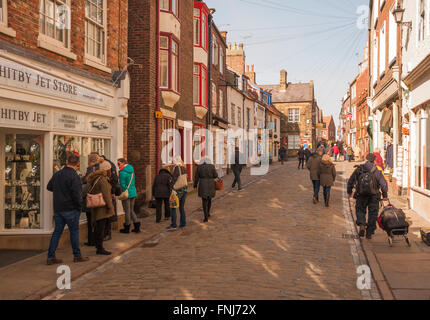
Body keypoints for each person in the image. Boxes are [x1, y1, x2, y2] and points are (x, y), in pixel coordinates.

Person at [46, 153, 89, 265]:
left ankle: (50, 256)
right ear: (78, 164)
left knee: (57, 232)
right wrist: (79, 207)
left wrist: (59, 192)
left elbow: (49, 186)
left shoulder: (58, 174)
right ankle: (77, 255)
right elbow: (77, 195)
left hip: (59, 208)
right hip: (71, 208)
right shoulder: (74, 176)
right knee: (74, 232)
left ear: (66, 162)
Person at [347, 153, 389, 239]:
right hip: (374, 195)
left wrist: (349, 192)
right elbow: (384, 184)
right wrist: (385, 195)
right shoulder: (377, 171)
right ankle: (369, 232)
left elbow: (351, 181)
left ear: (366, 159)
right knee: (373, 213)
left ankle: (362, 224)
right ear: (374, 160)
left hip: (361, 194)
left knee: (360, 209)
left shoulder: (359, 169)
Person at [86, 160, 115, 255]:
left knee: (98, 227)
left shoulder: (96, 178)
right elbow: (106, 195)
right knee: (101, 228)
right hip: (102, 207)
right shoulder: (102, 179)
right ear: (107, 169)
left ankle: (98, 246)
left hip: (96, 206)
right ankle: (100, 248)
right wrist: (111, 207)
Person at [118, 158, 140, 233]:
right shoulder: (131, 170)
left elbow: (122, 185)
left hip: (126, 193)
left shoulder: (122, 172)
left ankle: (127, 228)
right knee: (131, 210)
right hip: (133, 192)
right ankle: (137, 226)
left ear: (123, 163)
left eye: (119, 163)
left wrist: (121, 192)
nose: (118, 165)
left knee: (127, 211)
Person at [82, 153, 100, 246]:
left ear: (90, 161)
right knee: (95, 220)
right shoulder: (99, 169)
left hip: (91, 198)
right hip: (98, 198)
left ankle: (91, 240)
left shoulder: (91, 170)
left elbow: (86, 183)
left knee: (90, 221)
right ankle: (95, 240)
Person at [194, 157, 218, 222]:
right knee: (209, 199)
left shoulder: (199, 167)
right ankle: (208, 213)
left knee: (204, 200)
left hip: (203, 184)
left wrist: (195, 185)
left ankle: (206, 217)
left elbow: (196, 177)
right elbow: (216, 175)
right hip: (211, 184)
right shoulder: (212, 166)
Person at [168, 156, 188, 231]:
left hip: (177, 190)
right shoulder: (184, 167)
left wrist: (171, 187)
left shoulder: (177, 168)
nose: (173, 162)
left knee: (173, 207)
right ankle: (183, 223)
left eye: (173, 160)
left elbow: (174, 180)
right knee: (181, 207)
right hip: (184, 190)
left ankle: (174, 225)